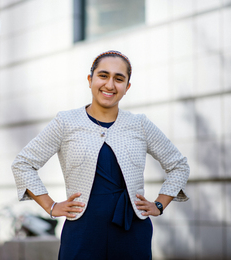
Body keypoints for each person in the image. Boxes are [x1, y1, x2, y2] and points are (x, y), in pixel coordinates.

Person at [11, 50, 190, 259]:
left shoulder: (139, 124)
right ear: (90, 79)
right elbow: (22, 164)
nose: (110, 85)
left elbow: (179, 166)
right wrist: (50, 206)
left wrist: (159, 204)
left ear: (127, 87)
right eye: (103, 76)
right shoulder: (66, 122)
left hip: (132, 231)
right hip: (82, 232)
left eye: (119, 79)